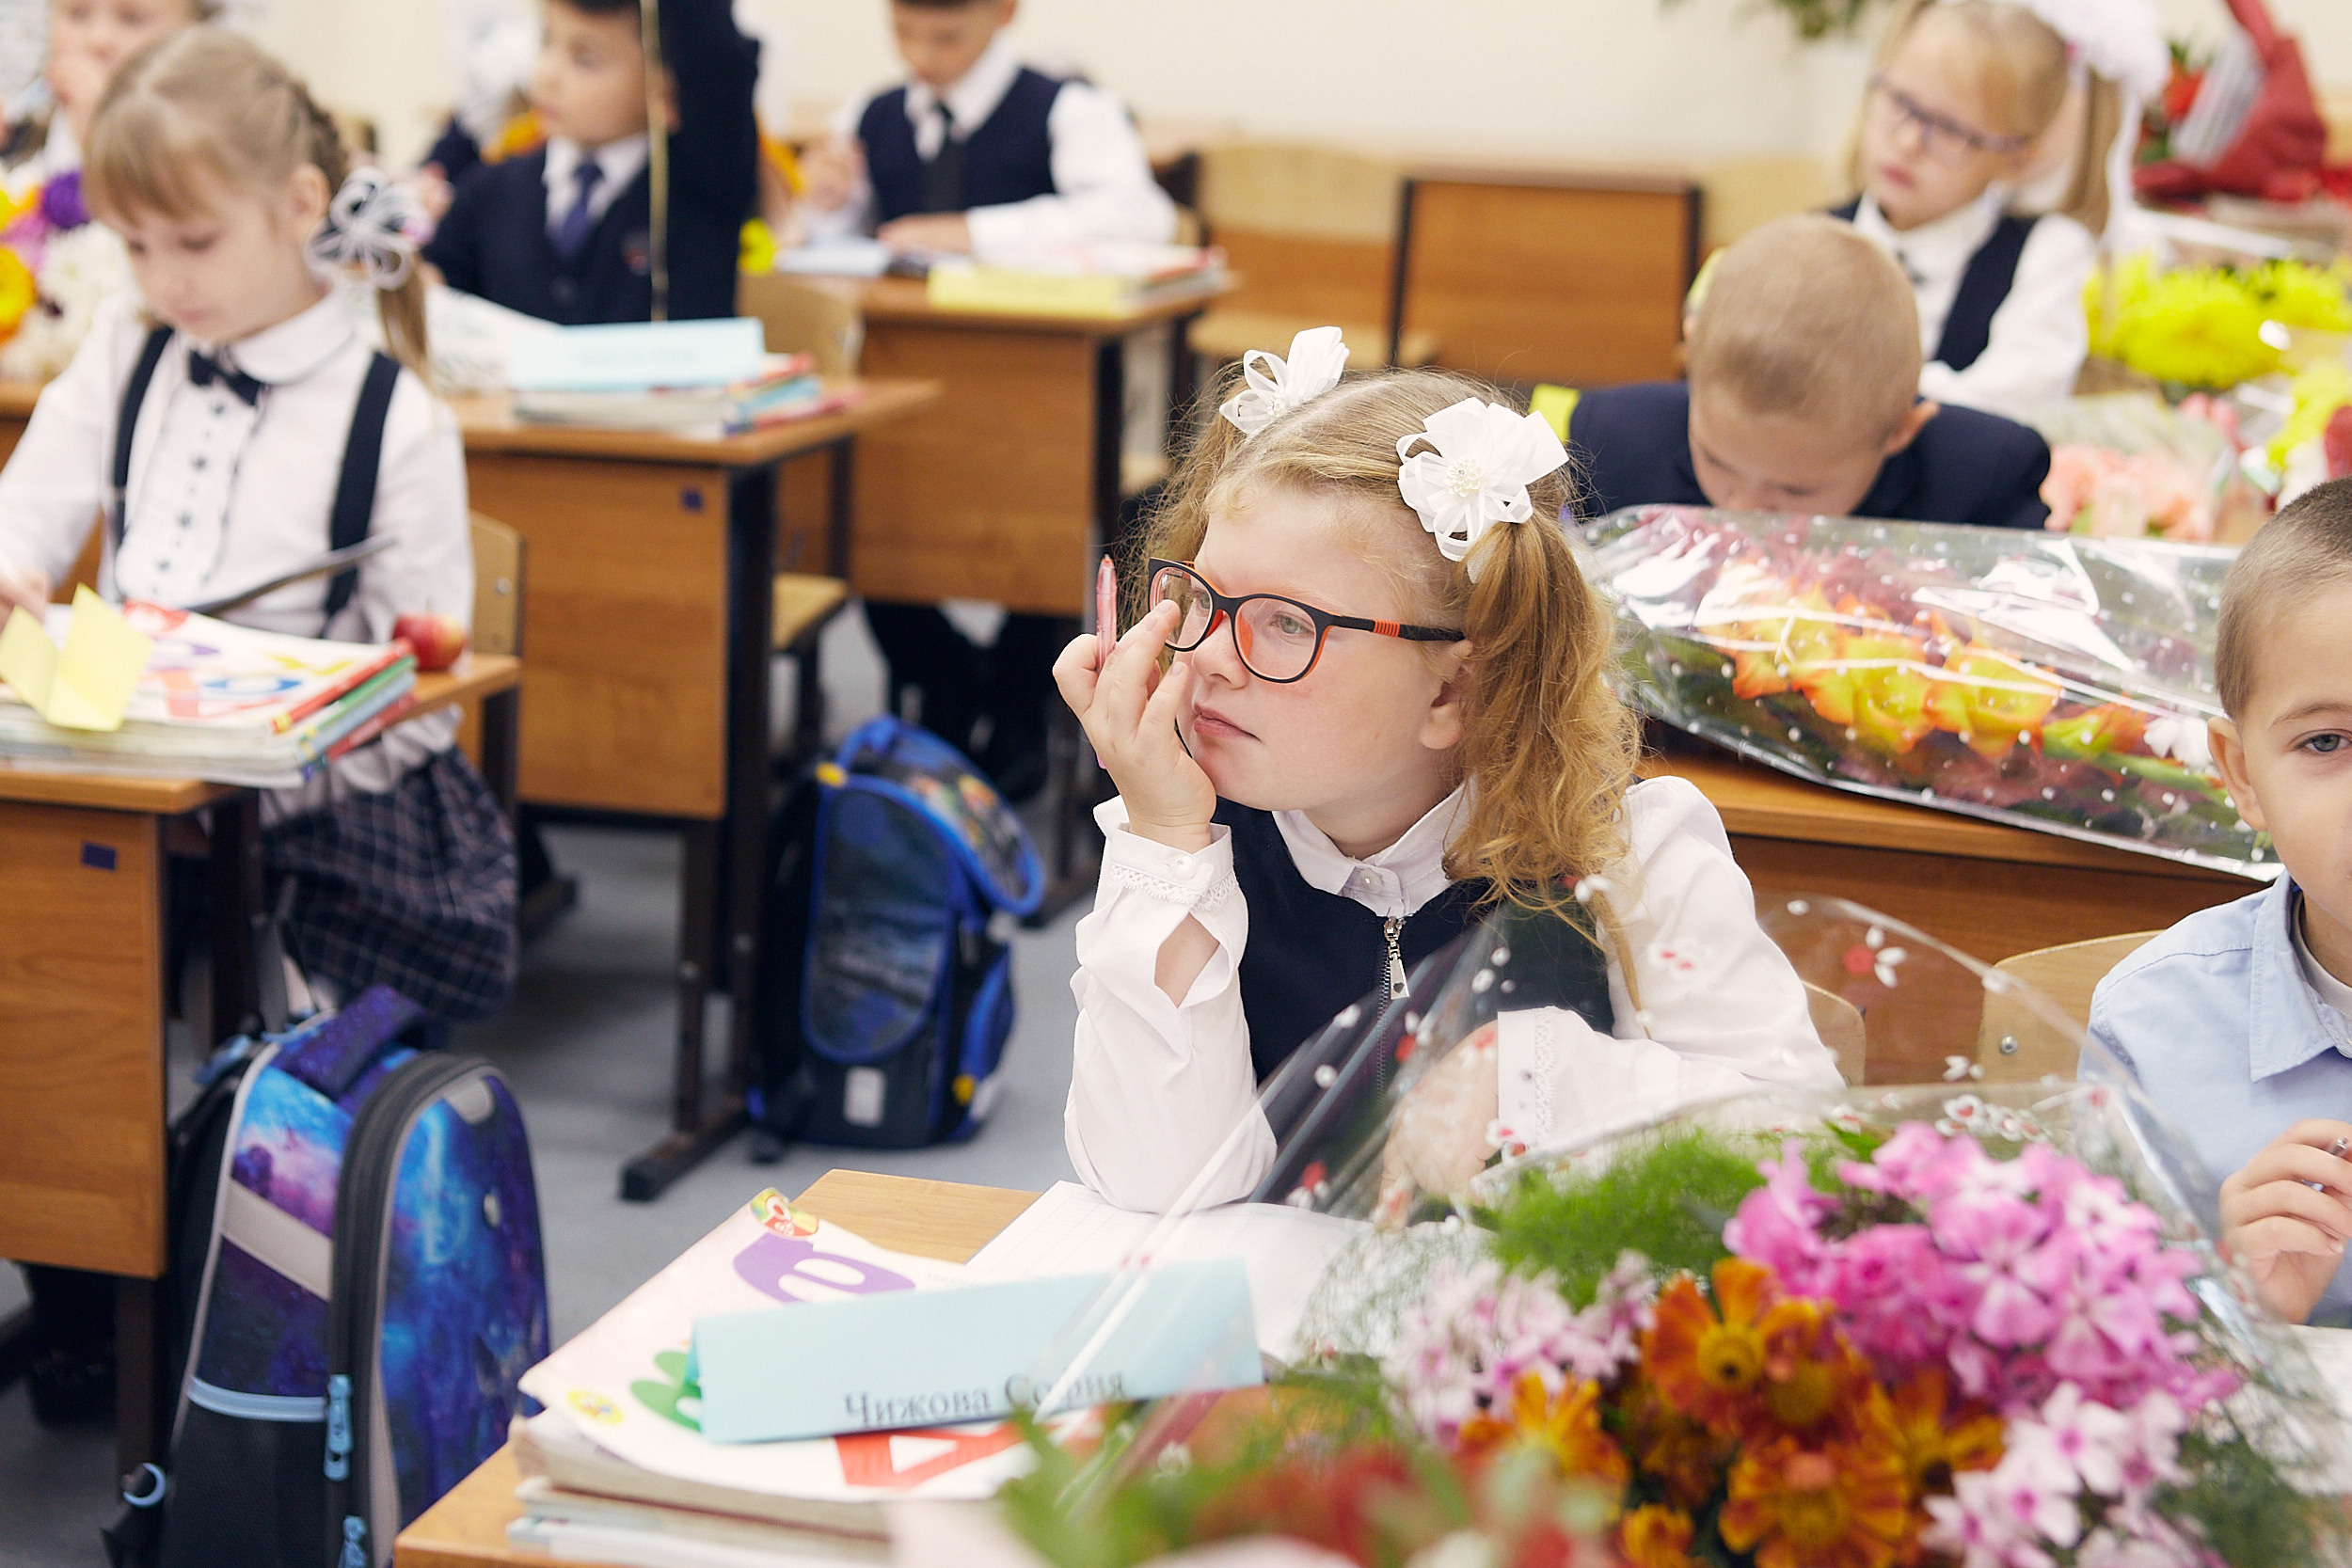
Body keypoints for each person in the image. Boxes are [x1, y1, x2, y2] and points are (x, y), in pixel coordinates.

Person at [1056, 328, 1845, 1213]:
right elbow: (1160, 1184)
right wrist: (1164, 841)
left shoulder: (1626, 850)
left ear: (1455, 692)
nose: (1212, 659)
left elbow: (1803, 1142)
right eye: (1204, 600)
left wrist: (1538, 1078)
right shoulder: (1193, 842)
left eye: (1284, 624)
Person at [797, 0, 1177, 799]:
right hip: (904, 395)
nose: (923, 57)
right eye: (905, 34)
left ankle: (1016, 695)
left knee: (1036, 538)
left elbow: (1141, 218)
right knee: (872, 530)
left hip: (1034, 410)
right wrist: (823, 201)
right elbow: (827, 246)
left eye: (947, 36)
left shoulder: (1066, 108)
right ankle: (946, 682)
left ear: (1003, 14)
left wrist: (974, 231)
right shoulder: (871, 113)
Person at [2086, 477, 2352, 1327]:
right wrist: (2222, 1302)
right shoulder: (2155, 1026)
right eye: (2327, 741)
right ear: (2241, 774)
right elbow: (2092, 1338)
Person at [1564, 214, 2051, 531]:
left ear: (1899, 430)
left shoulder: (1982, 483)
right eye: (1716, 462)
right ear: (1692, 360)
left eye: (1795, 490)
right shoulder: (1612, 442)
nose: (1745, 509)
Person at [1833, 0, 2164, 418]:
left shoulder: (2045, 253)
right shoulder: (1815, 235)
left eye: (1951, 130)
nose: (1909, 142)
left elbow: (2018, 399)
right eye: (1901, 103)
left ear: (2015, 157)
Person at [421, 0, 758, 325]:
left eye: (585, 60)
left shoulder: (703, 185)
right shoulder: (490, 192)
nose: (547, 75)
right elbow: (436, 282)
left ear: (665, 85)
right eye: (546, 41)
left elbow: (718, 61)